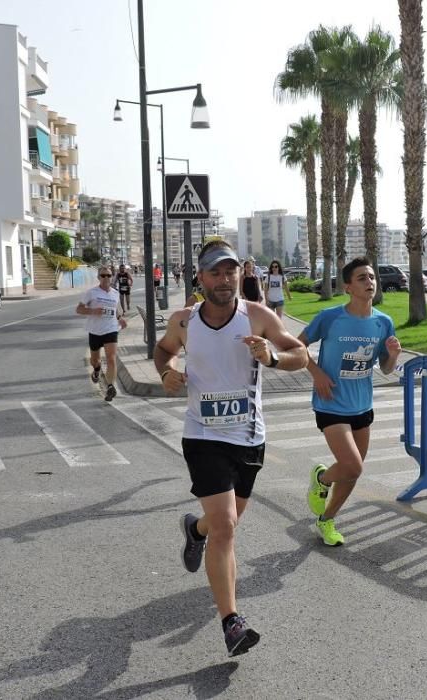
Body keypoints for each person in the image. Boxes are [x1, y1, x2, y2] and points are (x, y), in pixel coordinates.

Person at [153, 239, 308, 657]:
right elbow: (164, 350)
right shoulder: (184, 321)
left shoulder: (256, 316)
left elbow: (301, 354)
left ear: (240, 274)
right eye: (215, 273)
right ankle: (232, 622)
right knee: (226, 527)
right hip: (202, 436)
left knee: (224, 522)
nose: (224, 280)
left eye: (230, 271)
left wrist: (272, 356)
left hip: (249, 437)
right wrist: (167, 372)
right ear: (200, 278)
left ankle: (194, 529)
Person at [298, 256, 401, 546]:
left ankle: (327, 519)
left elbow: (385, 368)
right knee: (353, 466)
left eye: (371, 277)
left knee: (351, 473)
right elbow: (297, 346)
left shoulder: (383, 322)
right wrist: (316, 372)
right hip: (330, 403)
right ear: (348, 287)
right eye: (362, 278)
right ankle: (321, 481)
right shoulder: (330, 317)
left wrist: (393, 355)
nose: (370, 282)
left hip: (362, 406)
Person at [76, 265, 128, 402]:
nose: (106, 278)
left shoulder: (115, 294)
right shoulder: (91, 293)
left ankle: (110, 386)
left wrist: (120, 319)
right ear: (98, 277)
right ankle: (97, 369)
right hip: (94, 331)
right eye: (103, 275)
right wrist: (93, 311)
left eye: (108, 275)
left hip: (111, 329)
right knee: (95, 360)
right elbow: (79, 309)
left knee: (111, 358)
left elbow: (116, 310)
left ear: (112, 277)